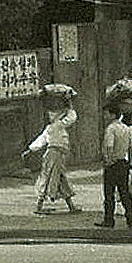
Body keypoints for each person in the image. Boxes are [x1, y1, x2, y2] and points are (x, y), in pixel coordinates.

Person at [95, 92, 132, 229]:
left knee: (109, 194)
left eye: (106, 113)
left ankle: (109, 220)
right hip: (123, 163)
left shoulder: (111, 129)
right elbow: (130, 147)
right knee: (125, 194)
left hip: (113, 164)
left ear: (112, 115)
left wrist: (107, 160)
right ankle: (131, 219)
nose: (104, 116)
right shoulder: (125, 129)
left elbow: (109, 146)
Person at [24, 84, 78, 214]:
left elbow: (41, 141)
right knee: (50, 176)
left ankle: (70, 206)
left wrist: (30, 149)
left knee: (57, 177)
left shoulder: (55, 126)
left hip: (55, 153)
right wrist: (69, 106)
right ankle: (39, 206)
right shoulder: (58, 125)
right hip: (55, 153)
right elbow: (72, 116)